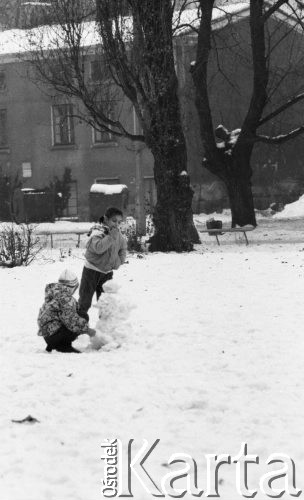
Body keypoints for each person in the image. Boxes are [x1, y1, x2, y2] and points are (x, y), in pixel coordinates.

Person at [78, 207, 127, 321]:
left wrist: (119, 261)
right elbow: (99, 248)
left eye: (119, 222)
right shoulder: (97, 231)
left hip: (107, 273)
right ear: (106, 219)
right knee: (85, 300)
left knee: (105, 301)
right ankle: (79, 325)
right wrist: (110, 237)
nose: (116, 224)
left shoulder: (117, 234)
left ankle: (105, 326)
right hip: (91, 271)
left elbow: (123, 247)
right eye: (114, 221)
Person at [37, 269, 96, 353]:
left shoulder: (54, 292)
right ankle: (63, 346)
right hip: (54, 335)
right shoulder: (65, 298)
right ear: (72, 287)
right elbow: (71, 320)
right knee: (83, 316)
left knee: (78, 314)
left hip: (47, 334)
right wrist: (88, 330)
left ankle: (53, 344)